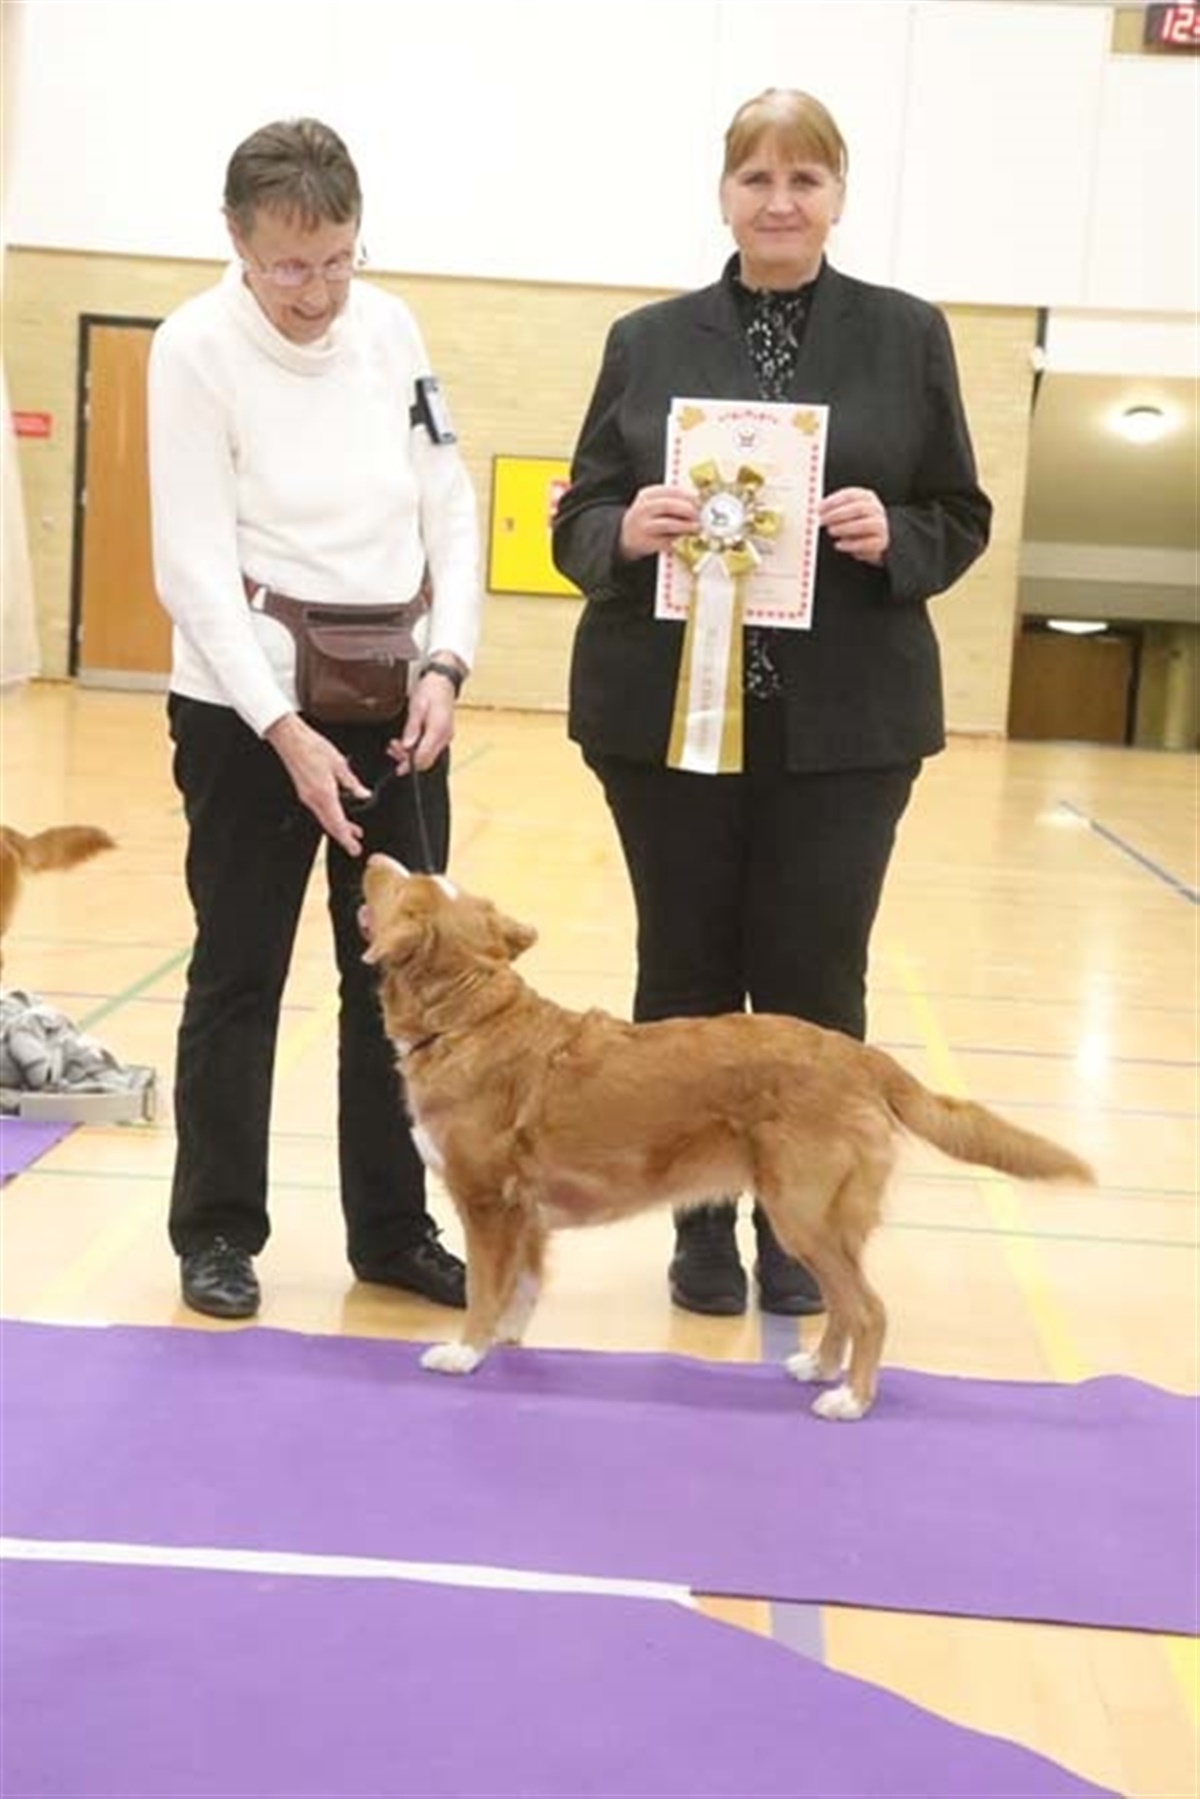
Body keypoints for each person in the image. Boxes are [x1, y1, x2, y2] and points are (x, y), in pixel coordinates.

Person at [551, 88, 991, 1318]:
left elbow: (960, 513)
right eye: (757, 178)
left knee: (815, 986)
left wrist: (896, 532)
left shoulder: (909, 334)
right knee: (681, 982)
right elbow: (580, 515)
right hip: (663, 723)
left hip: (846, 732)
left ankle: (799, 1232)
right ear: (723, 194)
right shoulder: (647, 339)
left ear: (839, 195)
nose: (780, 201)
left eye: (805, 179)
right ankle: (696, 1230)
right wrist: (622, 528)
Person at [148, 117, 481, 1320]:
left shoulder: (389, 327)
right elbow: (190, 565)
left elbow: (451, 504)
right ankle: (217, 1230)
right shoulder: (194, 349)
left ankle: (392, 1230)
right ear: (236, 242)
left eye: (339, 259)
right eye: (290, 266)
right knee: (239, 972)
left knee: (398, 979)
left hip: (396, 704)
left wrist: (448, 663)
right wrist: (282, 731)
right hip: (245, 713)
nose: (317, 291)